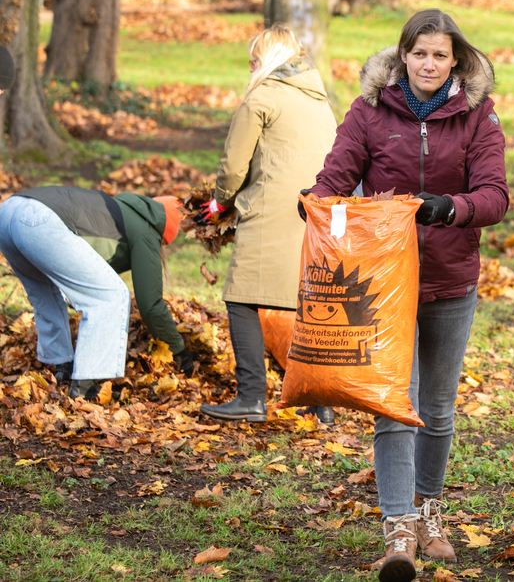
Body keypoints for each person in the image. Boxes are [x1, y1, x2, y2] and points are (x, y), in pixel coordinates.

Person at [308, 9, 508, 582]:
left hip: (450, 278)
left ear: (456, 61)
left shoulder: (477, 116)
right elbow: (336, 174)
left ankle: (428, 513)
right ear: (403, 57)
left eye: (439, 55)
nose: (428, 63)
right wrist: (317, 204)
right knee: (395, 406)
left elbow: (494, 195)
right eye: (419, 53)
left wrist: (452, 207)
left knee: (438, 411)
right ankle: (398, 531)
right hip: (384, 283)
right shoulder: (371, 111)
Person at [198, 25, 337, 425]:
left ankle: (251, 397)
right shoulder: (319, 100)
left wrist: (219, 202)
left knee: (241, 297)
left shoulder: (261, 97)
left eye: (254, 59)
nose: (250, 66)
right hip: (314, 214)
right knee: (305, 304)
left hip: (269, 210)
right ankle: (319, 399)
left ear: (267, 60)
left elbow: (233, 165)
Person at [0, 187, 194, 399]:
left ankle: (61, 367)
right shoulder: (146, 230)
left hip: (9, 211)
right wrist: (180, 351)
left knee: (46, 293)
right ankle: (85, 386)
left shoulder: (119, 210)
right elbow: (150, 305)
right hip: (40, 218)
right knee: (112, 295)